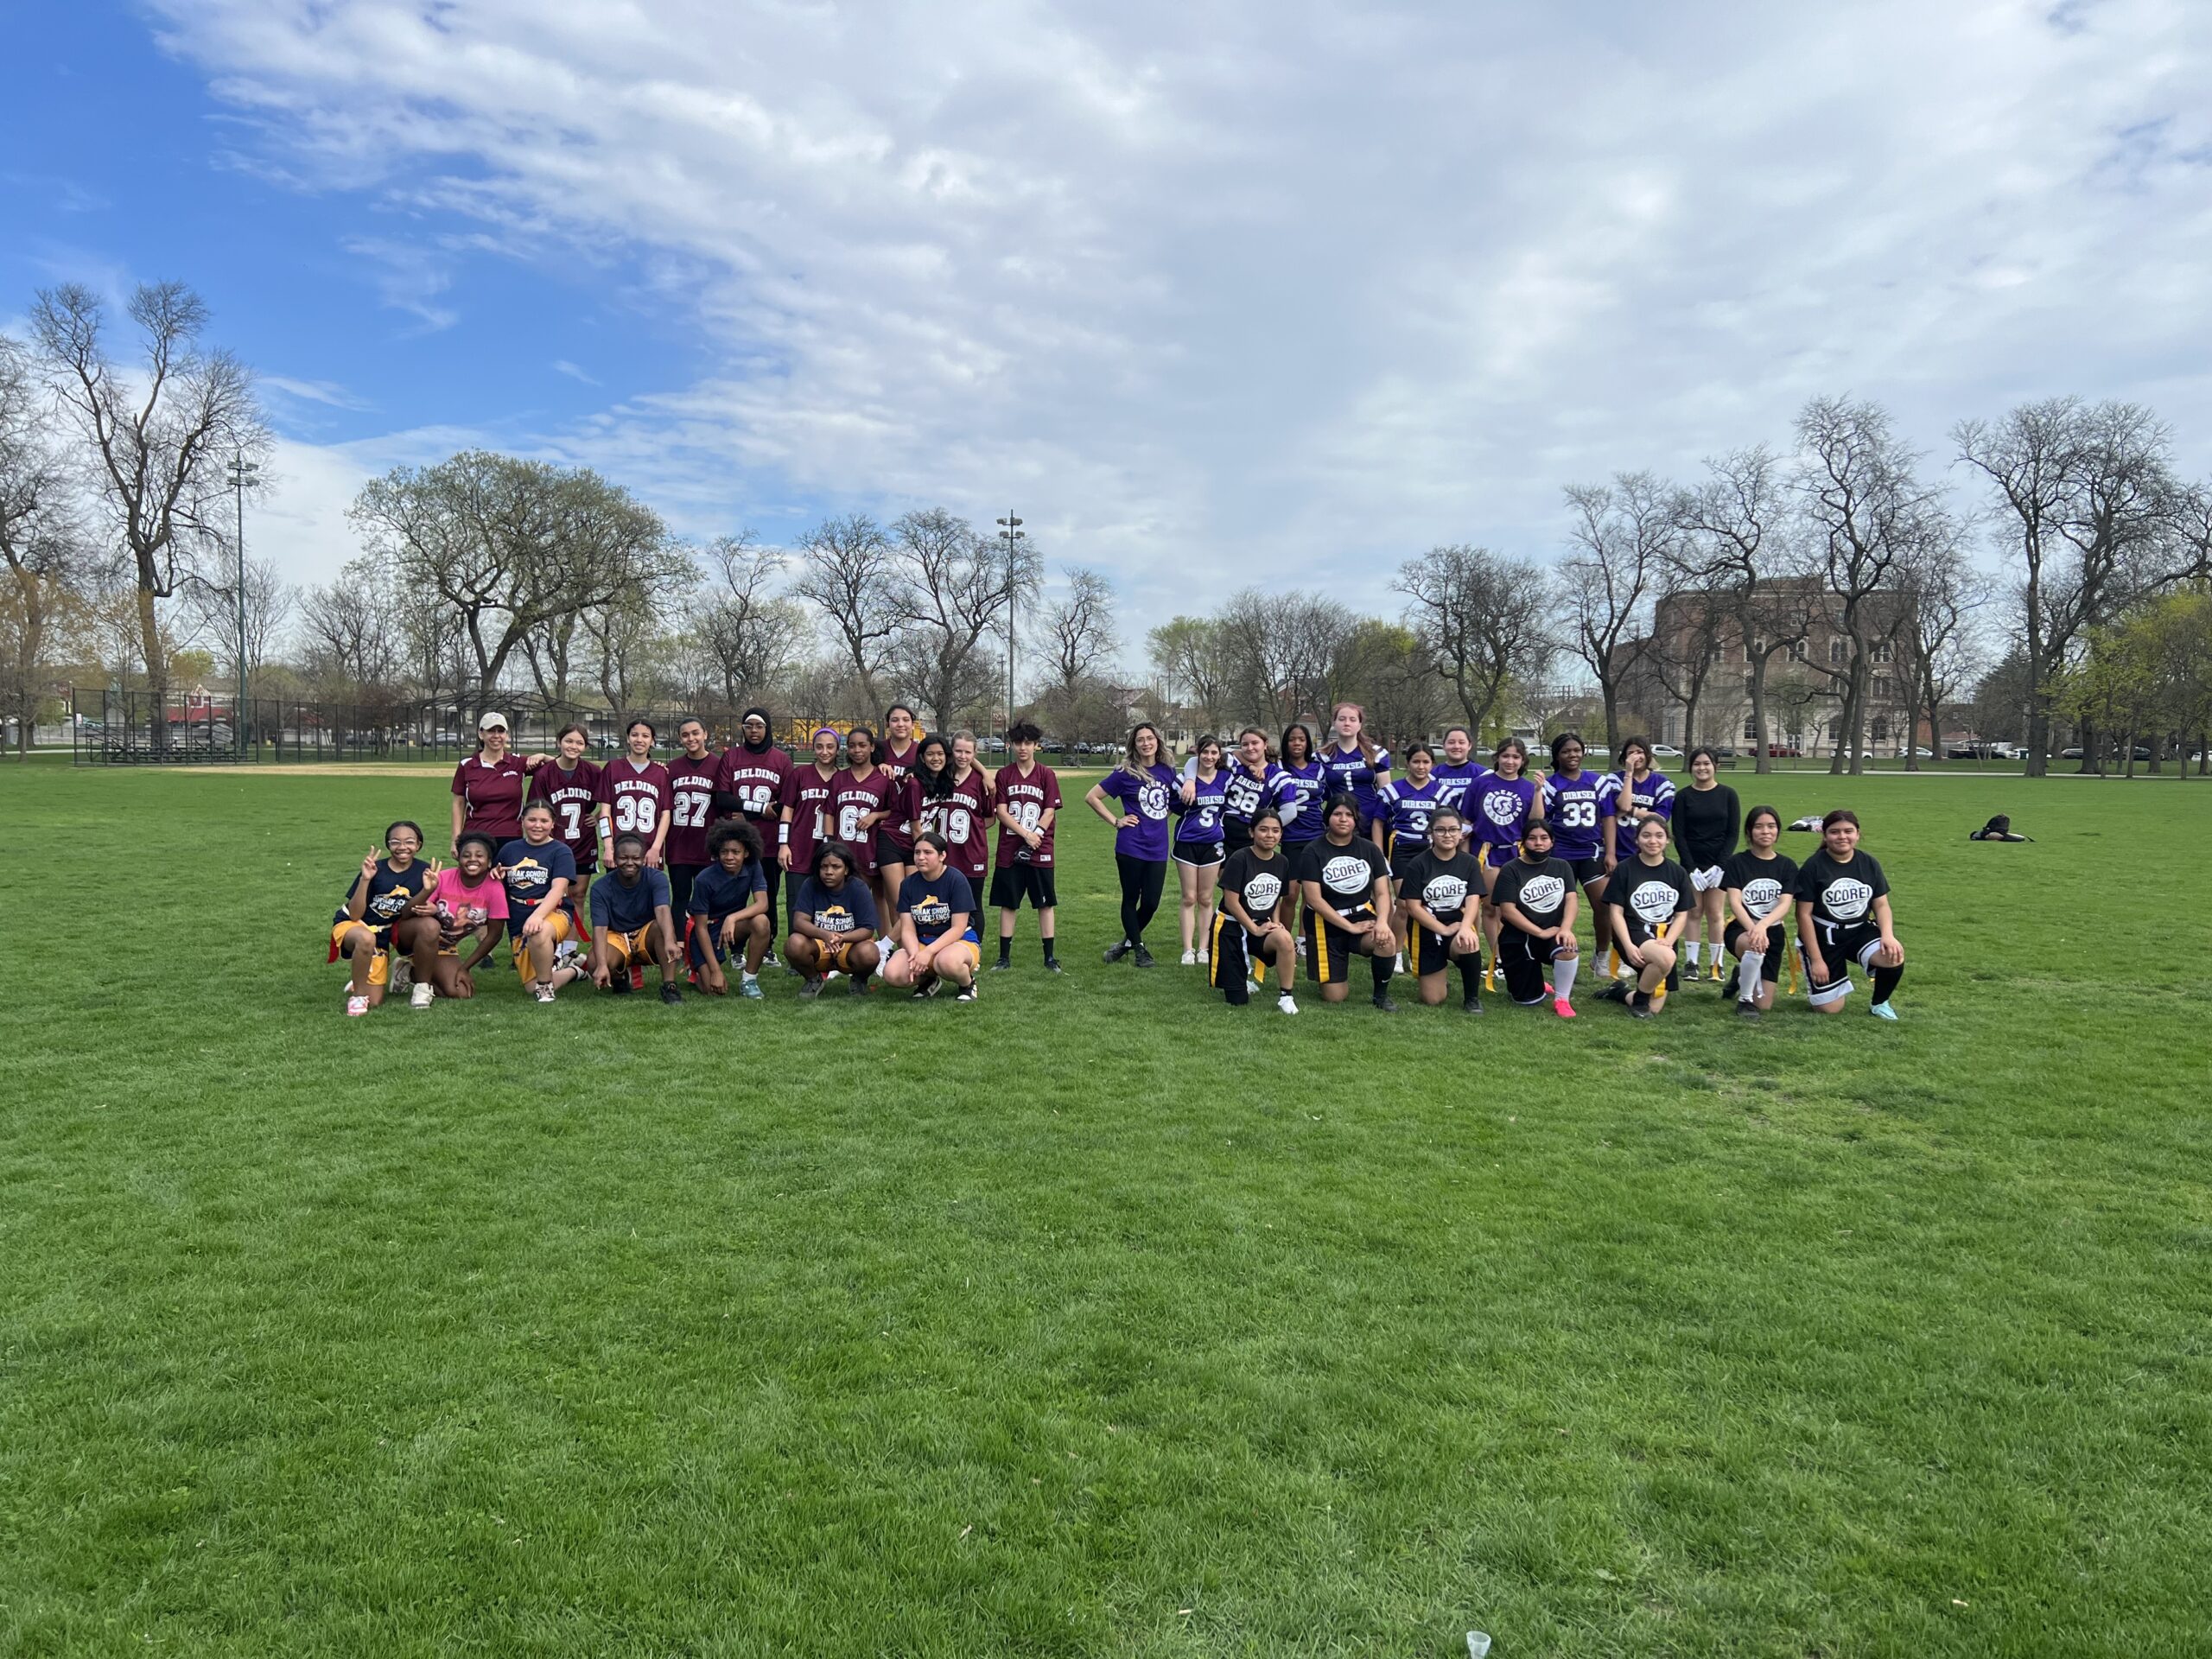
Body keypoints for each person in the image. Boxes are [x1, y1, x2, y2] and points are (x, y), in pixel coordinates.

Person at [1793, 808, 1906, 1019]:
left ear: (1858, 834)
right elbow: (1803, 915)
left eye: (1848, 831)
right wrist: (1817, 960)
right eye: (1835, 832)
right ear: (1825, 835)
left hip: (1858, 930)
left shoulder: (1869, 863)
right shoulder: (1813, 866)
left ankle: (1880, 1003)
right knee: (1830, 1009)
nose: (1842, 836)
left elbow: (1881, 905)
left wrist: (1888, 935)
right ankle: (1832, 981)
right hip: (1824, 936)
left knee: (1894, 955)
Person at [1086, 721, 1179, 967]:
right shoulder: (1125, 772)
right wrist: (1116, 821)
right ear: (1134, 745)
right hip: (1131, 845)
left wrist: (1162, 816)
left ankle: (1124, 945)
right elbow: (1092, 797)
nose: (1146, 743)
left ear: (1157, 741)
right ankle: (1139, 950)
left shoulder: (1168, 772)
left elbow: (1175, 802)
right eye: (1141, 740)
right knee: (1131, 898)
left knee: (1151, 902)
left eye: (1150, 738)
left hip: (1158, 846)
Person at [1296, 794, 1398, 1010]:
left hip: (1362, 914)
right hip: (1326, 922)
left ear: (1356, 820)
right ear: (1327, 818)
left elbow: (1382, 893)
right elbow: (1314, 899)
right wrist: (1349, 927)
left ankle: (1381, 995)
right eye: (1337, 814)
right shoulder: (1312, 851)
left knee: (1386, 940)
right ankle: (1334, 969)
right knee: (1335, 997)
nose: (1343, 819)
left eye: (1349, 815)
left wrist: (1382, 922)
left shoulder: (1369, 849)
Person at [329, 819, 437, 1015]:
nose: (402, 847)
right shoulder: (375, 868)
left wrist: (428, 892)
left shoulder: (423, 871)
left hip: (383, 934)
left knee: (376, 1001)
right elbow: (354, 914)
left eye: (409, 841)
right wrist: (365, 879)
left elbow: (406, 913)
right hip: (354, 925)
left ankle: (360, 977)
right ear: (388, 845)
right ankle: (358, 997)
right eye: (395, 842)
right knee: (365, 938)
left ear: (419, 844)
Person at [713, 707, 795, 952]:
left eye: (759, 726)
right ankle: (734, 946)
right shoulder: (731, 757)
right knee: (733, 895)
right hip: (736, 841)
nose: (754, 731)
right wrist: (758, 808)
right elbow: (722, 798)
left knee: (767, 894)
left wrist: (747, 812)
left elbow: (788, 802)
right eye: (749, 726)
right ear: (743, 728)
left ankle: (767, 944)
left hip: (767, 841)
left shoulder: (781, 759)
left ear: (767, 728)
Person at [1600, 815, 1697, 1019]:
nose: (1653, 841)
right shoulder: (1625, 869)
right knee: (1667, 958)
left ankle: (1622, 993)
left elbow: (1682, 915)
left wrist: (1668, 941)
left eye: (1659, 836)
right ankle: (1641, 1001)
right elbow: (1615, 913)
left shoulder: (1677, 872)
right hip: (1633, 932)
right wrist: (1627, 945)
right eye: (1646, 836)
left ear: (1667, 840)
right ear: (1637, 840)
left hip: (1664, 936)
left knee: (1655, 1008)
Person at [1397, 805, 1489, 1012]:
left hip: (1457, 924)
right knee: (1432, 999)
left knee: (1469, 943)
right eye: (1441, 830)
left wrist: (1466, 927)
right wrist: (1442, 929)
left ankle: (1472, 998)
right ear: (1431, 833)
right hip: (1426, 930)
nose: (1447, 835)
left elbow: (1473, 900)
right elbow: (1412, 907)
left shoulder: (1470, 863)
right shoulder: (1418, 864)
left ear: (1461, 833)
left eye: (1453, 830)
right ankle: (1440, 979)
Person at [1489, 821, 1581, 1018]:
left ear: (1552, 842)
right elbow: (1507, 910)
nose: (1538, 843)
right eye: (1532, 838)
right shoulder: (1510, 869)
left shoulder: (1562, 866)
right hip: (1518, 938)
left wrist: (1565, 928)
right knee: (1526, 1001)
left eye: (1544, 838)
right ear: (1522, 842)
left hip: (1553, 931)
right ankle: (1536, 983)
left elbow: (1572, 899)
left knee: (1568, 948)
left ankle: (1562, 999)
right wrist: (1539, 932)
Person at [990, 719, 1062, 972]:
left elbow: (1050, 809)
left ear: (1036, 746)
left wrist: (1036, 835)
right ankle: (1004, 958)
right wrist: (1025, 835)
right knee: (1009, 903)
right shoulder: (1004, 775)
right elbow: (1001, 811)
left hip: (1040, 849)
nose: (1023, 747)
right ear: (1011, 745)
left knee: (1045, 903)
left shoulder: (1046, 774)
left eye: (1028, 743)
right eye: (1018, 742)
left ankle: (1050, 957)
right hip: (1011, 847)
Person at [1211, 808, 1300, 1014]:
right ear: (1252, 833)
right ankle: (1239, 978)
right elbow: (1231, 902)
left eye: (1275, 831)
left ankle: (1286, 996)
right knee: (1238, 1000)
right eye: (1264, 830)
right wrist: (1254, 929)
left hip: (1261, 923)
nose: (1270, 835)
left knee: (1285, 939)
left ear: (1281, 835)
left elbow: (1276, 897)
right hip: (1231, 926)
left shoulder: (1282, 862)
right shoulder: (1239, 858)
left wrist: (1276, 922)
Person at [1541, 732, 1617, 973]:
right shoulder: (1551, 785)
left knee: (1604, 905)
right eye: (1566, 751)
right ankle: (1555, 954)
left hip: (1591, 851)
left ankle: (1601, 956)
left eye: (1576, 750)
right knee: (1555, 908)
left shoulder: (1598, 782)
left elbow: (1608, 817)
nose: (1572, 755)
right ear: (1557, 755)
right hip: (1561, 853)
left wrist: (1611, 852)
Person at [1468, 738, 1539, 988]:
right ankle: (1497, 958)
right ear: (1497, 757)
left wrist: (1539, 792)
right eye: (1506, 756)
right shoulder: (1481, 783)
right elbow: (1467, 819)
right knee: (1490, 908)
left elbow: (1536, 822)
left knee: (1515, 910)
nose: (1510, 761)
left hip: (1515, 852)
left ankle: (1517, 956)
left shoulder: (1528, 787)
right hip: (1486, 852)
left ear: (1523, 761)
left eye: (1516, 757)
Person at [411, 831, 509, 1007]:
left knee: (461, 992)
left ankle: (409, 972)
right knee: (430, 926)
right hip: (415, 937)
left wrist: (465, 967)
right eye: (466, 855)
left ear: (489, 862)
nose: (472, 859)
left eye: (479, 856)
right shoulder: (444, 877)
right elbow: (411, 913)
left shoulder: (494, 888)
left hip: (444, 946)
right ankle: (422, 986)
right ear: (459, 859)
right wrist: (431, 905)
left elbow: (494, 935)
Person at [498, 799, 582, 1003]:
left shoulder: (560, 851)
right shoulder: (509, 850)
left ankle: (545, 987)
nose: (537, 825)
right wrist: (494, 874)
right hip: (518, 914)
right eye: (532, 820)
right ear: (522, 821)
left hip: (553, 911)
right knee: (529, 986)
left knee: (539, 930)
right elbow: (498, 883)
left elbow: (559, 889)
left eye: (544, 821)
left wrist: (537, 915)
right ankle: (574, 971)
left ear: (553, 824)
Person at [880, 831, 981, 1001]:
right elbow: (907, 928)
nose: (920, 857)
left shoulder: (956, 879)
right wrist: (915, 955)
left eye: (928, 853)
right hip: (923, 940)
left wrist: (928, 953)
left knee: (946, 962)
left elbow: (958, 928)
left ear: (942, 856)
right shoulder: (908, 884)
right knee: (892, 974)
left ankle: (967, 984)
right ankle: (928, 981)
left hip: (959, 940)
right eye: (917, 852)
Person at [588, 831, 683, 1003]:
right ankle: (619, 978)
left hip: (645, 934)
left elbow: (662, 910)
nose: (630, 862)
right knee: (594, 962)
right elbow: (600, 928)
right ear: (615, 859)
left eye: (635, 858)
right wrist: (602, 965)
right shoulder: (600, 888)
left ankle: (670, 986)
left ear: (643, 858)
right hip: (617, 935)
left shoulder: (657, 878)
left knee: (662, 929)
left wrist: (670, 941)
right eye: (624, 858)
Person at [1721, 804, 1797, 1018]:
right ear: (1749, 832)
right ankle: (1744, 1001)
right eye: (1759, 826)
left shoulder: (1787, 866)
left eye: (1771, 826)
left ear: (1778, 831)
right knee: (1754, 945)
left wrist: (1763, 925)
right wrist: (1754, 929)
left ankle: (1741, 975)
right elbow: (1735, 902)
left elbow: (1785, 904)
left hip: (1771, 931)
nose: (1765, 831)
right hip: (1742, 927)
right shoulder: (1737, 863)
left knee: (1764, 1005)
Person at [1673, 746, 1741, 982]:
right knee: (1693, 911)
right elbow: (1679, 834)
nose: (1702, 768)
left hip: (1718, 865)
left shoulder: (1728, 794)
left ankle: (1716, 964)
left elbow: (1733, 833)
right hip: (1692, 862)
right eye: (1697, 764)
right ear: (1692, 768)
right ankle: (1691, 963)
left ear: (1715, 767)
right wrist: (1690, 868)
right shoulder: (1683, 796)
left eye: (1706, 764)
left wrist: (1721, 865)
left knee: (1715, 913)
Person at [687, 818, 772, 998]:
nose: (730, 857)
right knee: (713, 990)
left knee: (761, 922)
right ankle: (697, 969)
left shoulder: (753, 866)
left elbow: (763, 904)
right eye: (724, 852)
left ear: (746, 853)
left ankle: (749, 980)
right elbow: (700, 927)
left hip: (734, 925)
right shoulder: (704, 879)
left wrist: (732, 918)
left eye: (736, 852)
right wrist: (716, 971)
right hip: (708, 929)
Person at [786, 841, 883, 996]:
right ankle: (813, 979)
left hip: (849, 945)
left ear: (846, 870)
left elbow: (867, 929)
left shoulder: (858, 887)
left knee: (870, 953)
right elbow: (799, 921)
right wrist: (824, 935)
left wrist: (841, 938)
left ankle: (859, 980)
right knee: (794, 943)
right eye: (824, 867)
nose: (828, 872)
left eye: (835, 867)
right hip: (819, 944)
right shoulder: (810, 884)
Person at [526, 723, 603, 911]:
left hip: (583, 841)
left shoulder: (593, 772)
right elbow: (534, 810)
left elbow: (614, 796)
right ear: (559, 742)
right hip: (554, 842)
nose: (573, 746)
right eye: (569, 741)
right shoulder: (544, 774)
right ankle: (552, 938)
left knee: (578, 894)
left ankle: (571, 942)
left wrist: (599, 815)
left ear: (585, 746)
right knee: (553, 895)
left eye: (579, 742)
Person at [779, 726, 844, 930]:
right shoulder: (800, 774)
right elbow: (787, 810)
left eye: (830, 747)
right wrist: (783, 844)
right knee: (797, 902)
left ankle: (823, 955)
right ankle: (796, 953)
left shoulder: (843, 778)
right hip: (800, 847)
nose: (824, 752)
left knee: (827, 905)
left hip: (828, 850)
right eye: (819, 747)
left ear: (837, 749)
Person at [912, 731, 995, 891]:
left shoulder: (982, 782)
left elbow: (990, 818)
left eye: (967, 752)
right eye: (958, 751)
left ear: (974, 753)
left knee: (973, 907)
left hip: (971, 852)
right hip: (942, 852)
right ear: (951, 751)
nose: (962, 756)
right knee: (940, 905)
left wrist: (971, 829)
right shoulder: (940, 776)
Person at [1173, 735, 1229, 965]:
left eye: (1214, 753)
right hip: (1187, 842)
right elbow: (1170, 808)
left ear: (1219, 755)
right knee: (1189, 897)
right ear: (1198, 754)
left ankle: (1204, 948)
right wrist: (1189, 780)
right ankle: (1188, 949)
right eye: (1205, 752)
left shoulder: (1226, 778)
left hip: (1213, 842)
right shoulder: (1182, 780)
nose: (1209, 757)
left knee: (1206, 898)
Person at [830, 726, 898, 913]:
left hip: (870, 849)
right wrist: (829, 845)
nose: (857, 750)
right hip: (843, 849)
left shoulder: (884, 778)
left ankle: (885, 943)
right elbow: (829, 812)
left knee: (876, 902)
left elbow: (895, 811)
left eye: (862, 745)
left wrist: (876, 815)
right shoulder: (839, 778)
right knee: (843, 907)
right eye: (852, 746)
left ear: (872, 747)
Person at [664, 715, 724, 921]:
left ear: (705, 734)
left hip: (707, 846)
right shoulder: (671, 768)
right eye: (685, 735)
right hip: (678, 845)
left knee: (707, 900)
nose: (691, 738)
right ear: (680, 739)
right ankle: (678, 946)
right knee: (680, 898)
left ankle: (703, 947)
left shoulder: (719, 766)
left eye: (695, 733)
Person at [450, 710, 534, 856]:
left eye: (501, 731)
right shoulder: (467, 765)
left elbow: (558, 766)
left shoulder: (518, 762)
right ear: (481, 734)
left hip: (510, 838)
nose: (496, 736)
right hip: (475, 837)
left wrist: (544, 756)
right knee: (475, 879)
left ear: (507, 735)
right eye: (491, 731)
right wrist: (455, 840)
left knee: (507, 880)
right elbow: (458, 803)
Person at [595, 718, 671, 873]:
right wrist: (609, 847)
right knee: (617, 895)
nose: (639, 740)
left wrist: (656, 848)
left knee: (649, 895)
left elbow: (666, 814)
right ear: (628, 739)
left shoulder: (661, 773)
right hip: (620, 848)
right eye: (635, 735)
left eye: (645, 736)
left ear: (652, 741)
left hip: (649, 849)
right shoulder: (612, 768)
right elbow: (605, 813)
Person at [874, 703, 924, 914]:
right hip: (884, 827)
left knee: (910, 899)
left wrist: (984, 773)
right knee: (884, 894)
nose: (900, 724)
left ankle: (908, 945)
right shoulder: (878, 749)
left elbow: (957, 755)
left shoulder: (922, 750)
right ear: (887, 724)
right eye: (895, 720)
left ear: (913, 724)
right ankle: (888, 945)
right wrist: (877, 766)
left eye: (905, 719)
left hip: (914, 827)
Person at [1317, 702, 1390, 836]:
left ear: (1360, 724)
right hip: (1340, 821)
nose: (1347, 723)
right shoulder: (1322, 756)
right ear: (1334, 723)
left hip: (1371, 820)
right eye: (1342, 719)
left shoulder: (1376, 753)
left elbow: (1386, 793)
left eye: (1352, 719)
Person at [1220, 727, 1293, 857]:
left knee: (1251, 876)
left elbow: (1290, 812)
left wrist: (1265, 828)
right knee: (1227, 877)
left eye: (1255, 743)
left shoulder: (1278, 776)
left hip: (1251, 835)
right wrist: (1250, 766)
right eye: (1245, 744)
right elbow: (1204, 755)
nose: (1250, 748)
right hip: (1224, 831)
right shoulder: (1234, 764)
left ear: (1265, 744)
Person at [1431, 726, 1490, 813]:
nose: (1456, 746)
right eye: (1451, 742)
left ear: (1469, 745)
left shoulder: (1484, 774)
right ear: (1444, 746)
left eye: (1461, 742)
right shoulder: (1432, 775)